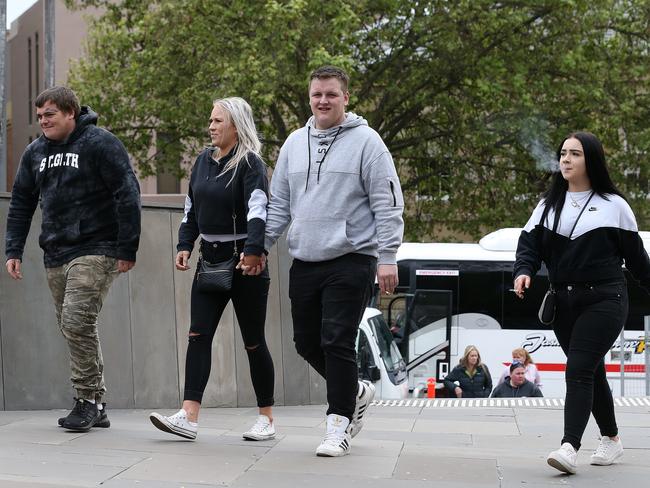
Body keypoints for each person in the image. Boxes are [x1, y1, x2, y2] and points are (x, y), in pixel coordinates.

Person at [259, 65, 404, 457]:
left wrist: (387, 256)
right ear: (310, 98)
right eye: (317, 94)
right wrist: (259, 246)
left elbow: (387, 203)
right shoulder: (293, 143)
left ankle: (338, 424)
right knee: (306, 342)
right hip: (305, 257)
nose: (323, 101)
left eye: (331, 94)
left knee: (336, 341)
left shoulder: (368, 143)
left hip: (351, 258)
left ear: (346, 98)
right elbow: (279, 205)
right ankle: (355, 391)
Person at [4, 86, 141, 431]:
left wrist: (128, 247)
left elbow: (127, 192)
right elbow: (21, 201)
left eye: (49, 114)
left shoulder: (100, 143)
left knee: (77, 320)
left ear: (70, 112)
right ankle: (98, 401)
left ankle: (87, 400)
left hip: (98, 247)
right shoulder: (35, 152)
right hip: (55, 251)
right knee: (72, 327)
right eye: (39, 117)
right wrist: (13, 249)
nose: (43, 122)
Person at [513, 131, 650, 474]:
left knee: (577, 369)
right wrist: (523, 271)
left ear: (591, 160)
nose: (566, 159)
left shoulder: (615, 206)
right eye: (562, 153)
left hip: (605, 299)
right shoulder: (547, 205)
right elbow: (528, 245)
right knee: (590, 369)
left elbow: (638, 261)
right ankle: (612, 438)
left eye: (575, 153)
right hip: (563, 303)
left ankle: (569, 446)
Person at [149, 97, 276, 442]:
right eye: (211, 119)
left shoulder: (250, 163)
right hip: (209, 260)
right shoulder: (203, 160)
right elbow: (191, 207)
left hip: (244, 263)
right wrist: (184, 245)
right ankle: (188, 416)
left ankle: (266, 417)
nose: (211, 126)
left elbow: (258, 210)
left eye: (218, 120)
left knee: (253, 342)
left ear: (236, 125)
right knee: (197, 336)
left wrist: (253, 252)